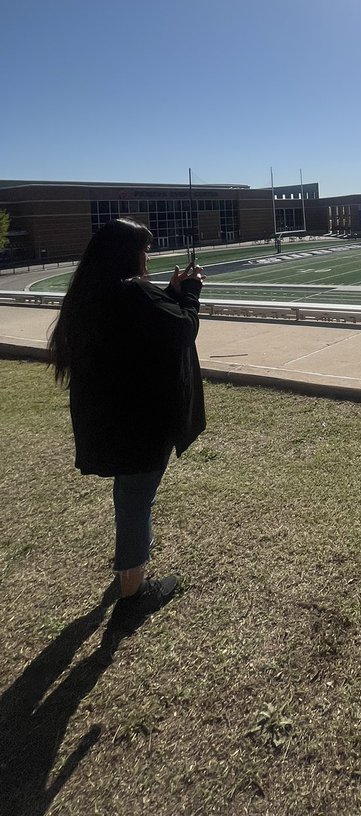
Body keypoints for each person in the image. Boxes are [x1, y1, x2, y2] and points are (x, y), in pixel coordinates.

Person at [48, 218, 205, 623]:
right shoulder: (133, 293)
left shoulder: (90, 293)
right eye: (144, 249)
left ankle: (129, 564)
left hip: (108, 414)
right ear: (128, 253)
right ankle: (133, 591)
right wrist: (189, 293)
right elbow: (182, 330)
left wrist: (168, 293)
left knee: (129, 493)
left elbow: (141, 326)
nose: (148, 256)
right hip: (141, 417)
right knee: (137, 497)